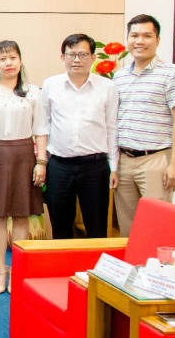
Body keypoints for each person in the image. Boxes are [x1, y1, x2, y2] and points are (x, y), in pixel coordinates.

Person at [0, 40, 48, 295]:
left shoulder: (32, 92)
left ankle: (18, 270)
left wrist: (41, 162)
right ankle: (0, 271)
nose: (8, 63)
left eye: (13, 57)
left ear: (20, 60)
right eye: (3, 59)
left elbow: (41, 130)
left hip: (24, 154)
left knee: (22, 214)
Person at [113, 14, 175, 236]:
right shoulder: (119, 76)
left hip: (155, 160)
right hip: (124, 161)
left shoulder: (173, 74)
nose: (140, 41)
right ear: (128, 39)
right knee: (127, 228)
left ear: (158, 40)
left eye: (147, 36)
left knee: (158, 226)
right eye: (134, 35)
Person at [41, 33, 118, 240]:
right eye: (71, 54)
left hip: (95, 166)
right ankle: (63, 261)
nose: (77, 60)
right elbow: (44, 125)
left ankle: (94, 262)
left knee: (97, 226)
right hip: (59, 166)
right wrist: (43, 163)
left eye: (83, 55)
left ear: (93, 58)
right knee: (60, 226)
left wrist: (114, 167)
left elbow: (112, 127)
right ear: (62, 57)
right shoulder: (50, 85)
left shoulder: (108, 87)